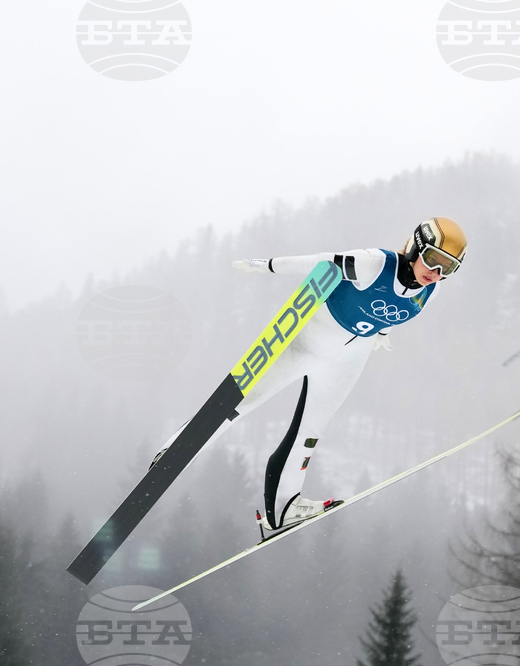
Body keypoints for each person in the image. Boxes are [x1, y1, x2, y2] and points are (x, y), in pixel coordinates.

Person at [153, 217, 467, 532]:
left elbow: (387, 311)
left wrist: (382, 333)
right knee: (244, 399)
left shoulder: (430, 292)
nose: (436, 273)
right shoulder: (374, 264)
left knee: (310, 431)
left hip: (348, 361)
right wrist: (269, 266)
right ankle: (178, 450)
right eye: (433, 260)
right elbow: (320, 263)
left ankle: (284, 506)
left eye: (448, 268)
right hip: (305, 342)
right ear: (416, 247)